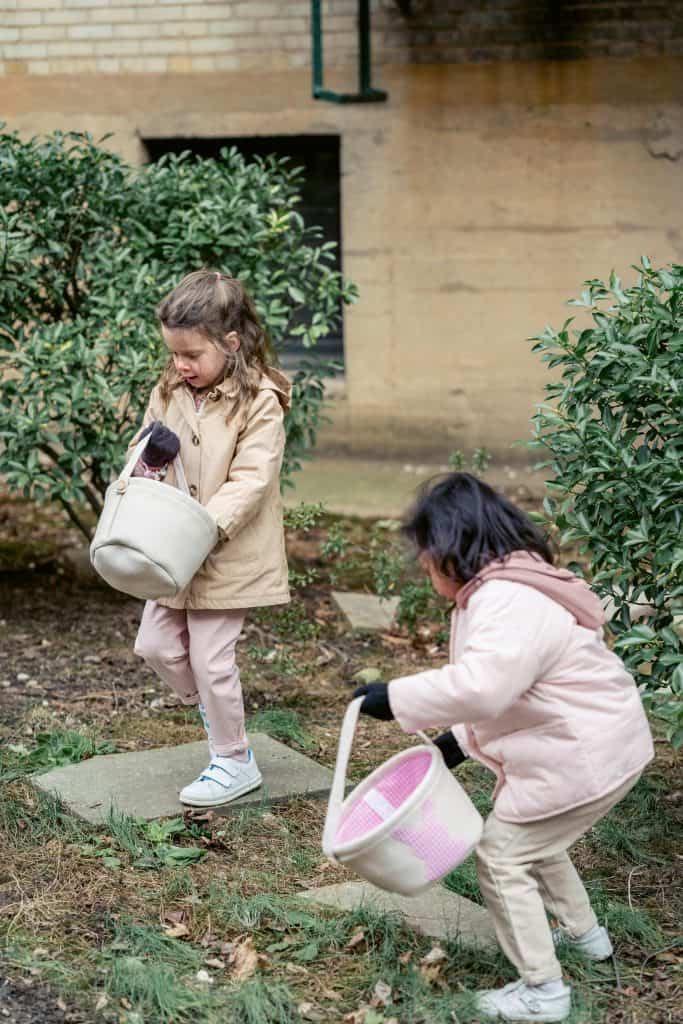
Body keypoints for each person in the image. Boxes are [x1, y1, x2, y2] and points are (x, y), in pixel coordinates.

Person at [353, 473, 654, 1023]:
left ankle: (543, 991)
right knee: (536, 837)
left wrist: (396, 698)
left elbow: (484, 685)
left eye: (425, 556)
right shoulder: (507, 585)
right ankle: (586, 937)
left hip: (584, 755)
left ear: (452, 549)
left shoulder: (506, 598)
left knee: (501, 854)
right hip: (592, 744)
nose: (422, 568)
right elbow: (517, 689)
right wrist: (458, 741)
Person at [130, 269, 291, 808]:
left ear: (231, 343)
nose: (180, 364)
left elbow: (253, 478)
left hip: (226, 552)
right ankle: (219, 712)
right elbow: (149, 445)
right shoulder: (172, 388)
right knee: (153, 645)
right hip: (171, 552)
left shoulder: (260, 401)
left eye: (192, 355)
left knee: (212, 658)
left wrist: (206, 527)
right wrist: (143, 472)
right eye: (174, 353)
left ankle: (233, 760)